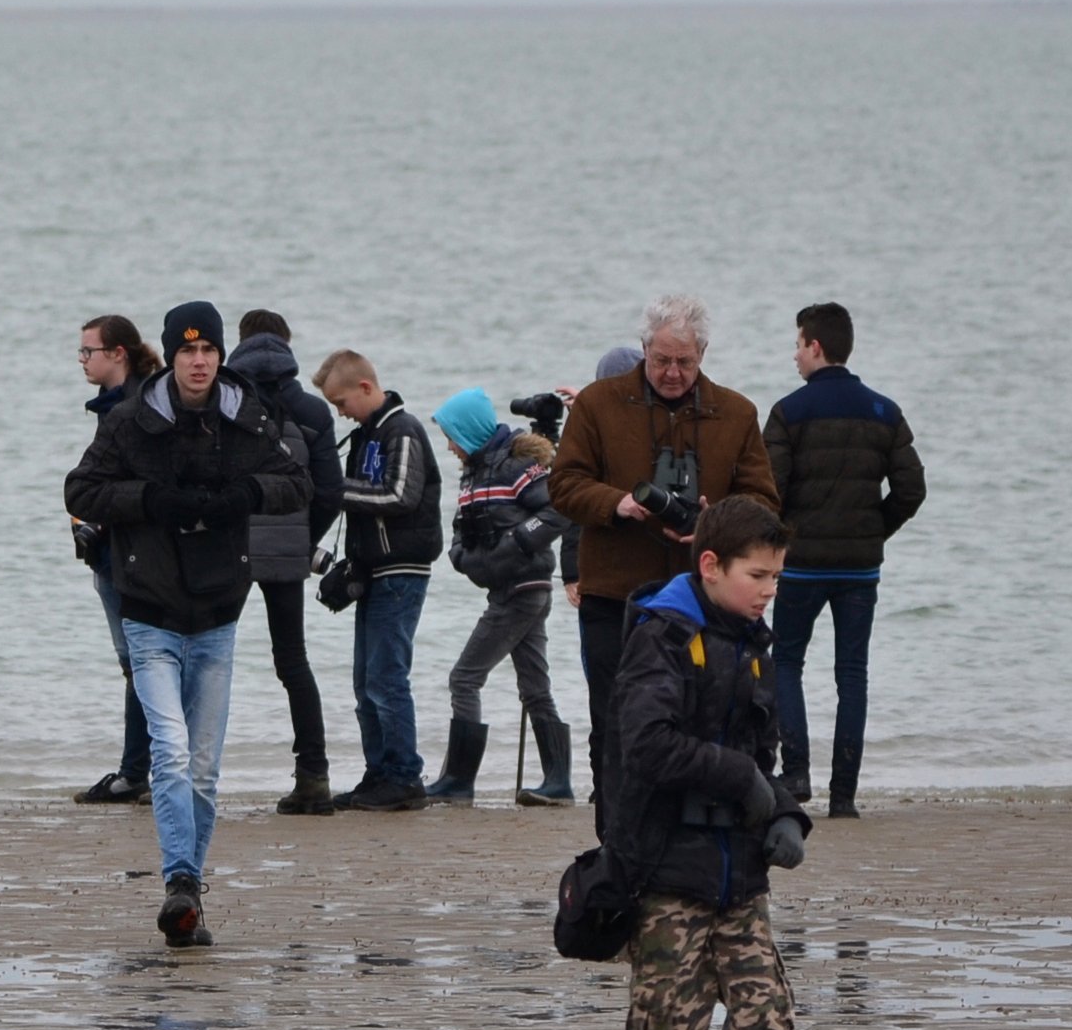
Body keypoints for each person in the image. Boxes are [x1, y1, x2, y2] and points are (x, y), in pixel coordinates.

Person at [565, 498, 819, 1030]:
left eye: (776, 575)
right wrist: (742, 782)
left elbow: (760, 757)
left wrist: (781, 813)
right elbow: (647, 746)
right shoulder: (661, 638)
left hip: (740, 882)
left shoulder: (753, 641)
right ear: (710, 566)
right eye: (757, 575)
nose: (769, 588)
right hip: (665, 878)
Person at [65, 302, 308, 949]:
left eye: (209, 351)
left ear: (220, 355)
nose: (199, 362)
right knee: (170, 755)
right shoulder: (133, 419)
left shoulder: (246, 414)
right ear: (169, 356)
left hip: (220, 611)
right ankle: (179, 879)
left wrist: (245, 495)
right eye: (187, 352)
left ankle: (187, 895)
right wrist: (148, 500)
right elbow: (81, 491)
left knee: (202, 767)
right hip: (148, 610)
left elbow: (296, 482)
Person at [545, 295, 780, 841]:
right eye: (662, 361)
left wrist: (715, 524)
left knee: (706, 722)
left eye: (685, 363)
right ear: (644, 349)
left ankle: (692, 844)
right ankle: (618, 846)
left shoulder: (737, 412)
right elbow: (563, 486)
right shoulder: (598, 405)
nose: (673, 373)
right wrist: (620, 504)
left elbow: (764, 502)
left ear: (703, 354)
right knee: (615, 724)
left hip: (707, 603)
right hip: (615, 596)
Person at [760, 302, 927, 819]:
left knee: (786, 661)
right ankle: (844, 796)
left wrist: (780, 543)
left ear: (815, 347)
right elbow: (912, 490)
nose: (794, 356)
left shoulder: (789, 411)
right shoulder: (884, 410)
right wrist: (875, 528)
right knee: (852, 673)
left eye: (797, 345)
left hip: (803, 563)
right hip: (859, 566)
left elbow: (771, 491)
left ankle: (797, 773)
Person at [313, 349, 440, 811]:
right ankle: (379, 772)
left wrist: (331, 489)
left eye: (341, 402)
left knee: (387, 678)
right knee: (366, 679)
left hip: (402, 571)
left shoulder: (402, 429)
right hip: (374, 571)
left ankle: (405, 776)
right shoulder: (369, 434)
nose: (339, 412)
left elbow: (400, 494)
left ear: (366, 388)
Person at [431, 389, 572, 805]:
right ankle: (559, 784)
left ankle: (458, 781)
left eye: (452, 436)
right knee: (535, 688)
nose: (450, 446)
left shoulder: (516, 467)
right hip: (510, 591)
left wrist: (514, 545)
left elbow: (558, 511)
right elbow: (461, 530)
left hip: (522, 590)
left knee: (464, 678)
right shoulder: (475, 474)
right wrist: (464, 558)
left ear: (470, 432)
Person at [233, 312, 347, 816]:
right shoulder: (314, 411)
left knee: (206, 658)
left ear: (239, 344)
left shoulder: (225, 403)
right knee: (293, 662)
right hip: (287, 554)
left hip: (225, 549)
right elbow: (330, 493)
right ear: (286, 345)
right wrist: (303, 539)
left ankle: (186, 772)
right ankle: (314, 776)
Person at [70, 316, 162, 805]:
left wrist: (98, 517)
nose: (83, 361)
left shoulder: (135, 407)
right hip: (111, 554)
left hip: (131, 556)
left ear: (118, 353)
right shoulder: (114, 408)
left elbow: (130, 485)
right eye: (81, 352)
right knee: (136, 663)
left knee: (142, 662)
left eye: (90, 352)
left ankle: (138, 770)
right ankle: (138, 769)